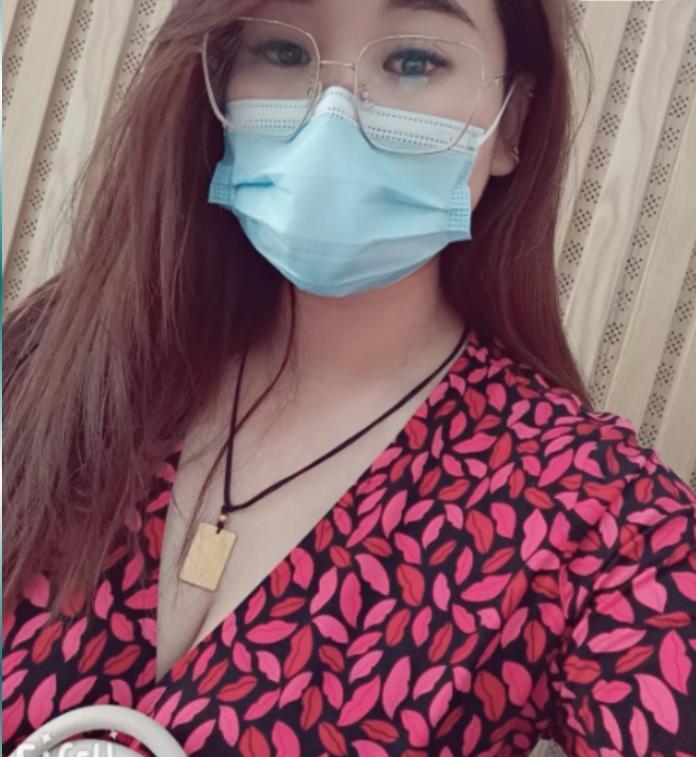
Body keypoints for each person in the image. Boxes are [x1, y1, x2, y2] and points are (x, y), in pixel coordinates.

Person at [3, 0, 695, 755]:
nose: (333, 116)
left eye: (414, 62)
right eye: (283, 52)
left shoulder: (600, 517)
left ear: (513, 122)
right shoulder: (51, 358)